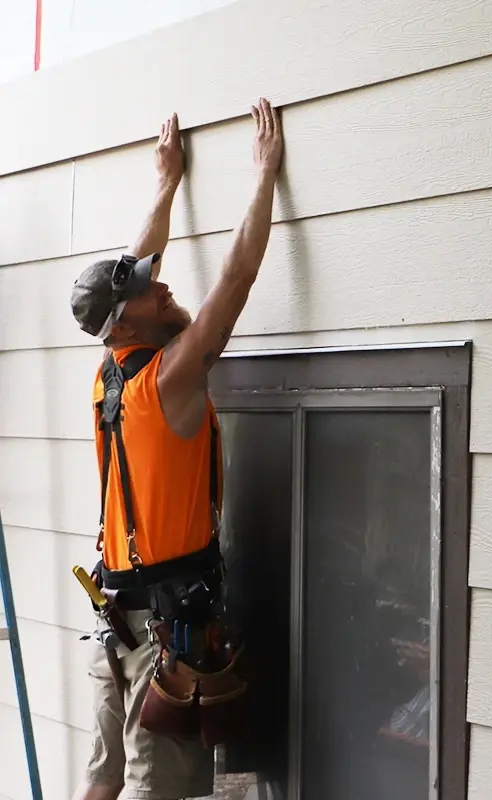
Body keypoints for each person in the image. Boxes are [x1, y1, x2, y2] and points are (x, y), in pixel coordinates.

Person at [68, 97, 284, 800]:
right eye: (150, 289)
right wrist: (263, 177)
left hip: (115, 620)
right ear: (128, 316)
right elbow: (236, 281)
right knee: (150, 790)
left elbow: (135, 270)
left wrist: (166, 184)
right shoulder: (169, 378)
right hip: (163, 634)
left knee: (101, 783)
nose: (163, 282)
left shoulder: (110, 374)